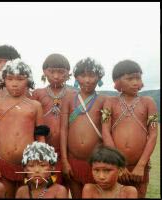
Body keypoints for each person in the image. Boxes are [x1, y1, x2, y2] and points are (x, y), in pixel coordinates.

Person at [0, 58, 50, 198]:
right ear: (3, 79)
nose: (14, 84)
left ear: (28, 80)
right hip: (3, 162)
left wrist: (42, 164)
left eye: (20, 79)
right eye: (10, 79)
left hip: (28, 164)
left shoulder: (35, 106)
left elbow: (40, 137)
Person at [101, 59, 158, 198]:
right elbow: (105, 132)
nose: (135, 82)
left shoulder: (148, 102)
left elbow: (153, 135)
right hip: (115, 166)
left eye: (138, 78)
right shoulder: (110, 102)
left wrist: (141, 165)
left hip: (140, 166)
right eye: (130, 78)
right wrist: (118, 164)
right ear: (117, 82)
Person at [60, 57, 106, 198]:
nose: (87, 80)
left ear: (99, 78)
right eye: (83, 75)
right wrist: (65, 160)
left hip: (96, 162)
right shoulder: (68, 98)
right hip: (73, 161)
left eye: (92, 76)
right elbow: (64, 130)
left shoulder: (104, 100)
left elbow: (107, 132)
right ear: (76, 77)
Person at [32, 53, 74, 185]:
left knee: (62, 186)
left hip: (66, 151)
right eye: (52, 71)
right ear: (44, 72)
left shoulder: (73, 94)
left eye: (61, 72)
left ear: (68, 73)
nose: (56, 76)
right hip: (42, 148)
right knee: (43, 187)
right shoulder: (38, 93)